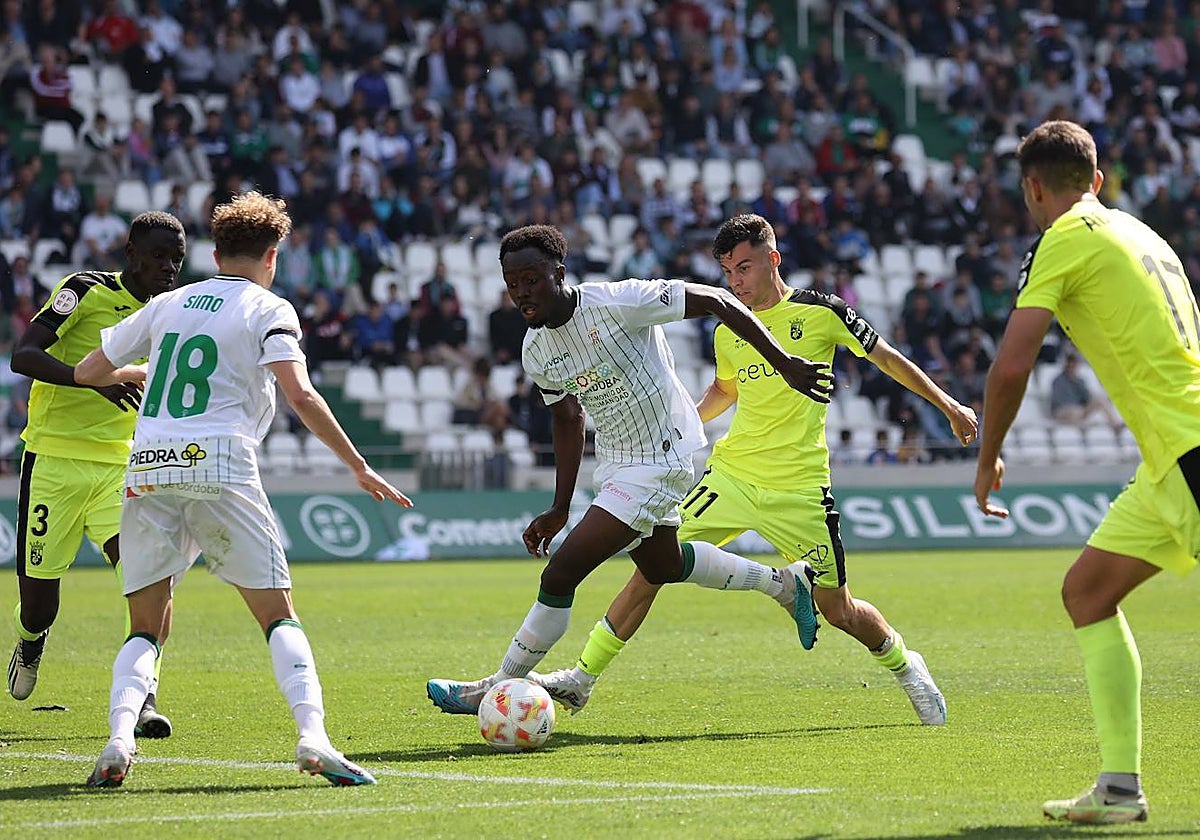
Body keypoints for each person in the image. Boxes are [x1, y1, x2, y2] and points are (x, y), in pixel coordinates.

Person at [532, 214, 975, 723]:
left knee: (839, 611)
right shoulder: (730, 330)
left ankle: (907, 666)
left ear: (773, 258)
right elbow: (726, 389)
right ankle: (582, 678)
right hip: (732, 476)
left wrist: (949, 406)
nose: (736, 282)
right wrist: (684, 424)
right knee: (654, 567)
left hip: (802, 489)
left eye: (744, 267)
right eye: (727, 273)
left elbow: (888, 359)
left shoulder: (820, 312)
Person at [74, 192, 411, 788]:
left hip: (148, 465)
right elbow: (301, 395)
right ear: (272, 256)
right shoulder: (267, 307)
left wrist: (139, 373)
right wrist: (358, 465)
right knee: (278, 617)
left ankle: (119, 739)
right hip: (222, 464)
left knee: (144, 627)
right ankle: (314, 738)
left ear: (215, 252)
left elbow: (87, 373)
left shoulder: (169, 304)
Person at [426, 224, 834, 714]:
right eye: (512, 283)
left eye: (532, 279)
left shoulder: (620, 301)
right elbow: (567, 417)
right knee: (663, 564)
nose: (522, 292)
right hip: (617, 462)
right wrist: (559, 507)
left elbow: (717, 301)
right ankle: (784, 584)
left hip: (665, 454)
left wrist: (784, 361)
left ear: (559, 272)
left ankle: (493, 687)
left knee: (561, 574)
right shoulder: (536, 349)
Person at [973, 120, 1200, 824]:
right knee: (1088, 592)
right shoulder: (1143, 233)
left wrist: (987, 458)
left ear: (1033, 190)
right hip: (1169, 458)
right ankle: (1121, 788)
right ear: (1096, 181)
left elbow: (1012, 366)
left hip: (1189, 448)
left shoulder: (1063, 238)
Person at [8, 212, 186, 746]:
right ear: (130, 252)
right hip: (54, 462)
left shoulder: (171, 312)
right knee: (41, 604)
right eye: (158, 256)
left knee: (150, 579)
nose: (168, 267)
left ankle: (144, 696)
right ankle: (30, 640)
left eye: (176, 258)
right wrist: (95, 382)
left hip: (123, 466)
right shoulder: (83, 290)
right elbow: (24, 355)